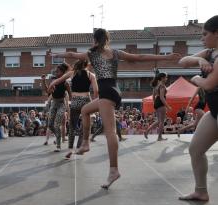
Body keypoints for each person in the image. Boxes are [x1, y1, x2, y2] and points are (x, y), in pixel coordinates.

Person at [51, 28, 180, 188]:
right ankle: (85, 143)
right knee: (85, 111)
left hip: (106, 93)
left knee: (110, 133)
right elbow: (140, 57)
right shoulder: (116, 53)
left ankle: (114, 170)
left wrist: (57, 55)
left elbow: (72, 55)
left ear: (96, 40)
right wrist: (165, 57)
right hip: (113, 91)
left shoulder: (93, 54)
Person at [178, 15, 218, 201]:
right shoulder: (210, 53)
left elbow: (209, 84)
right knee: (196, 149)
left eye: (205, 34)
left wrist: (195, 78)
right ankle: (201, 191)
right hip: (215, 113)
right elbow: (183, 61)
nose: (201, 38)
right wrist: (199, 61)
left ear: (216, 34)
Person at [64, 60, 99, 160]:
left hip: (75, 101)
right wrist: (95, 101)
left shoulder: (72, 73)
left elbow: (60, 79)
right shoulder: (91, 74)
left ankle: (70, 149)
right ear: (87, 65)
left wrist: (54, 83)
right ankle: (80, 147)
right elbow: (96, 91)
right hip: (86, 101)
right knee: (85, 126)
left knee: (72, 126)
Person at [46, 63, 72, 152]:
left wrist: (70, 107)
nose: (56, 72)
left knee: (57, 125)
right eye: (56, 71)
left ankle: (58, 145)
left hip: (61, 104)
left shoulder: (66, 83)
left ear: (62, 72)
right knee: (50, 125)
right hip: (54, 104)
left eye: (58, 71)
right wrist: (43, 81)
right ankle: (58, 135)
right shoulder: (53, 80)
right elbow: (48, 92)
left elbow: (70, 95)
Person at [144, 72, 172, 141]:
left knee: (159, 121)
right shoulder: (162, 86)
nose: (166, 79)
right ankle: (159, 137)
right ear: (162, 78)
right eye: (166, 77)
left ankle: (147, 131)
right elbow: (162, 97)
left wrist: (155, 104)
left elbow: (153, 96)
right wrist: (167, 106)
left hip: (156, 102)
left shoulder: (156, 85)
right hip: (160, 103)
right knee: (162, 121)